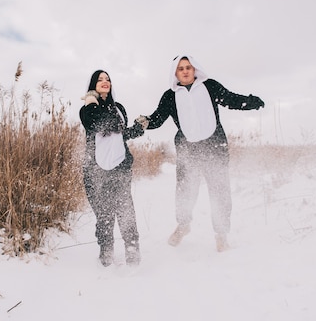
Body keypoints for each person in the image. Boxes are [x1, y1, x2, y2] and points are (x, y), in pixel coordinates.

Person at [137, 55, 264, 252]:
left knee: (220, 192)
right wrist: (145, 122)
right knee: (185, 191)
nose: (186, 71)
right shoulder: (170, 96)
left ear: (195, 69)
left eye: (188, 67)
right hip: (189, 150)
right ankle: (183, 224)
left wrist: (251, 102)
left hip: (215, 147)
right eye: (181, 68)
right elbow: (158, 118)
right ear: (175, 73)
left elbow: (230, 99)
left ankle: (221, 236)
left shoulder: (210, 86)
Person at [80, 70, 147, 267]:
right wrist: (92, 101)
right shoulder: (86, 109)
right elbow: (99, 124)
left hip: (120, 167)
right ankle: (106, 252)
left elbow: (119, 133)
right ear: (93, 85)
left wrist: (137, 129)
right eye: (100, 79)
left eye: (107, 79)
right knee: (103, 214)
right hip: (95, 171)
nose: (105, 82)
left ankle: (132, 249)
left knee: (126, 210)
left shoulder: (118, 108)